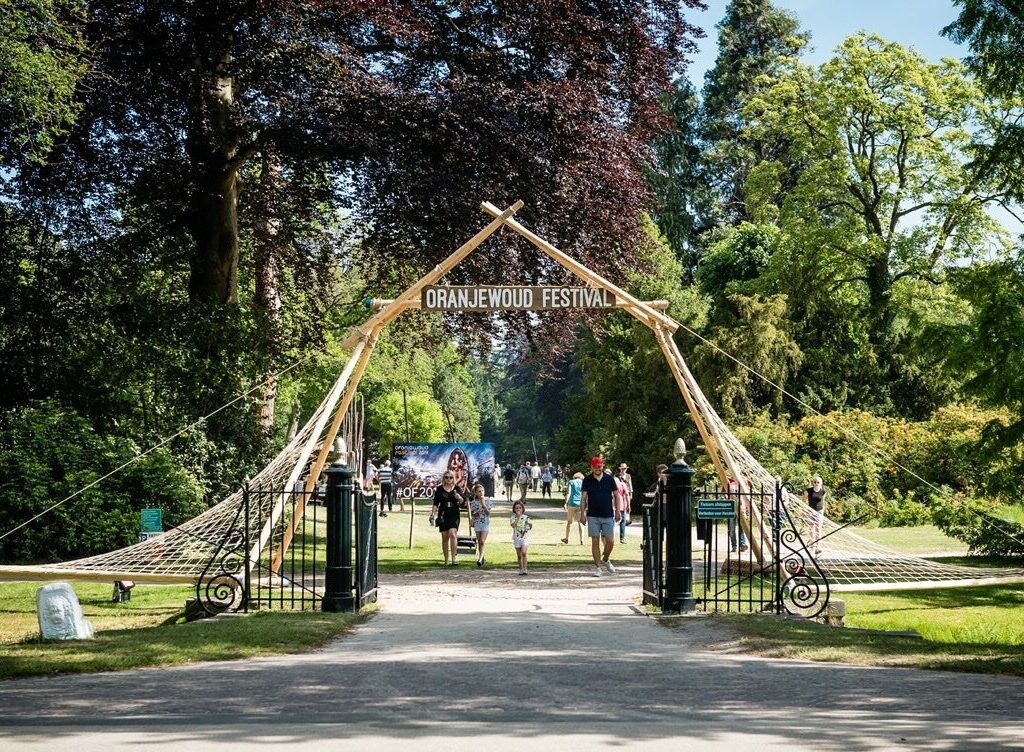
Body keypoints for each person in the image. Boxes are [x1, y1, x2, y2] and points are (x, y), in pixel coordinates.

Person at [580, 456, 619, 577]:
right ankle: (598, 567)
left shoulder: (609, 479)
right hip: (592, 515)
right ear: (591, 467)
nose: (598, 469)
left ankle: (606, 558)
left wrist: (618, 511)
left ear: (602, 466)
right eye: (596, 467)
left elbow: (616, 495)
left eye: (600, 466)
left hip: (607, 514)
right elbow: (583, 498)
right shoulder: (587, 480)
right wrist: (582, 514)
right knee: (595, 541)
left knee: (610, 541)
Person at [430, 470, 466, 566]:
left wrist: (459, 497)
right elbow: (435, 503)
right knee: (445, 537)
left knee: (453, 534)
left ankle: (454, 559)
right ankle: (446, 560)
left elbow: (463, 502)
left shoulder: (457, 488)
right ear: (444, 478)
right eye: (446, 477)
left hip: (454, 513)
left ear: (453, 478)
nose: (448, 479)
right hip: (443, 513)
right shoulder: (439, 489)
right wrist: (432, 515)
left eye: (450, 477)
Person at [469, 482, 493, 567]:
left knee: (482, 541)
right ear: (476, 493)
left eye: (482, 491)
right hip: (477, 523)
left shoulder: (488, 500)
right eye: (479, 491)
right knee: (480, 542)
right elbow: (472, 513)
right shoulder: (473, 502)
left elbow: (488, 513)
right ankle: (482, 558)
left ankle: (480, 559)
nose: (481, 492)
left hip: (485, 523)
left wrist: (483, 504)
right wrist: (476, 513)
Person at [510, 500, 533, 575]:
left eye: (520, 508)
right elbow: (513, 525)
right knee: (519, 555)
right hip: (517, 538)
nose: (518, 509)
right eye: (516, 508)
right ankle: (521, 569)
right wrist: (518, 517)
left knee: (524, 552)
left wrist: (529, 524)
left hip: (525, 537)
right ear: (514, 509)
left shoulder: (526, 517)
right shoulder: (513, 518)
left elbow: (530, 526)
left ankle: (525, 568)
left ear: (522, 509)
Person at [561, 471, 584, 544]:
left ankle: (567, 538)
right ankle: (581, 539)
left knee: (569, 522)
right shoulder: (583, 483)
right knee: (580, 522)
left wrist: (565, 503)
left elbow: (569, 493)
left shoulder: (571, 482)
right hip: (580, 504)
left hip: (572, 503)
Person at [806, 475, 826, 555]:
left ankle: (818, 546)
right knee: (811, 528)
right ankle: (812, 546)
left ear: (821, 483)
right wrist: (805, 509)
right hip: (811, 510)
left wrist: (823, 510)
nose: (816, 483)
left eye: (818, 482)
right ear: (813, 483)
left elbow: (823, 501)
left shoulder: (823, 491)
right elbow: (803, 499)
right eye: (815, 482)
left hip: (819, 511)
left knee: (818, 528)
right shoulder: (809, 490)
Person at [727, 476, 748, 553]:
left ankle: (742, 545)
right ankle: (734, 546)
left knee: (742, 528)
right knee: (731, 529)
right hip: (731, 509)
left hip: (741, 509)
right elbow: (724, 493)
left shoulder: (743, 482)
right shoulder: (728, 482)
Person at [614, 463, 633, 543]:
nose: (623, 469)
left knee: (625, 515)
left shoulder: (628, 476)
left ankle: (622, 537)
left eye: (624, 468)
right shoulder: (616, 476)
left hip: (626, 494)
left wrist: (630, 495)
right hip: (619, 495)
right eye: (622, 468)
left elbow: (630, 486)